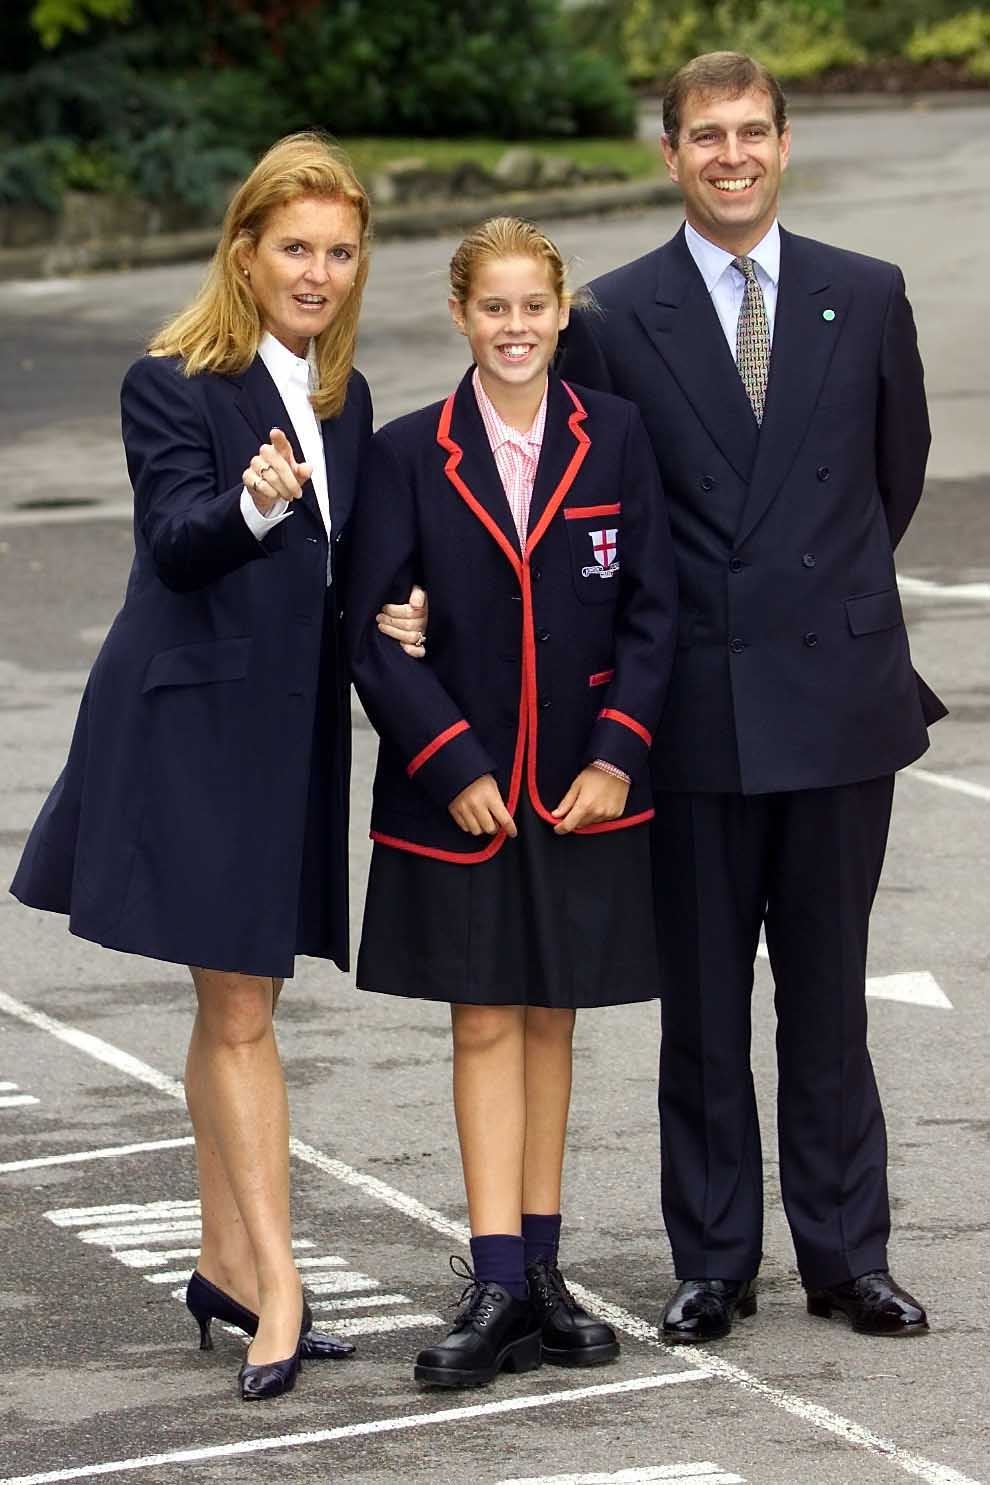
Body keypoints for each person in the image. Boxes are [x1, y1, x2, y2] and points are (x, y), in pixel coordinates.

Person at [10, 132, 422, 1400]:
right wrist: (249, 506)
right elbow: (180, 545)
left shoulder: (343, 406)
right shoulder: (174, 380)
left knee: (238, 1007)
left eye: (340, 252)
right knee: (241, 1009)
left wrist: (401, 621)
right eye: (294, 247)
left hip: (285, 738)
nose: (318, 271)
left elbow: (341, 586)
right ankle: (282, 1287)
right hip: (189, 730)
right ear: (243, 251)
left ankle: (225, 1264)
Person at [559, 52, 945, 1343]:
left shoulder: (863, 293)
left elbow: (891, 478)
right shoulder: (612, 317)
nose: (729, 154)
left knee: (829, 996)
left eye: (749, 132)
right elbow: (602, 514)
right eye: (702, 135)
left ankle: (847, 1256)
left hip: (838, 702)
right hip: (694, 712)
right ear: (667, 154)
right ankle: (713, 1259)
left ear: (785, 143)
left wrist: (819, 607)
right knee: (705, 1004)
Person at [347, 217, 677, 1387]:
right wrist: (452, 762)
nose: (517, 327)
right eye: (494, 308)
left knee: (553, 1017)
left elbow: (653, 609)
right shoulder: (405, 452)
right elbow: (373, 631)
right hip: (465, 795)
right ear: (460, 317)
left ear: (561, 311)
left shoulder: (617, 436)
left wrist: (618, 755)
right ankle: (492, 1277)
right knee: (482, 1017)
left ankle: (542, 1271)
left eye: (535, 306)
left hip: (583, 788)